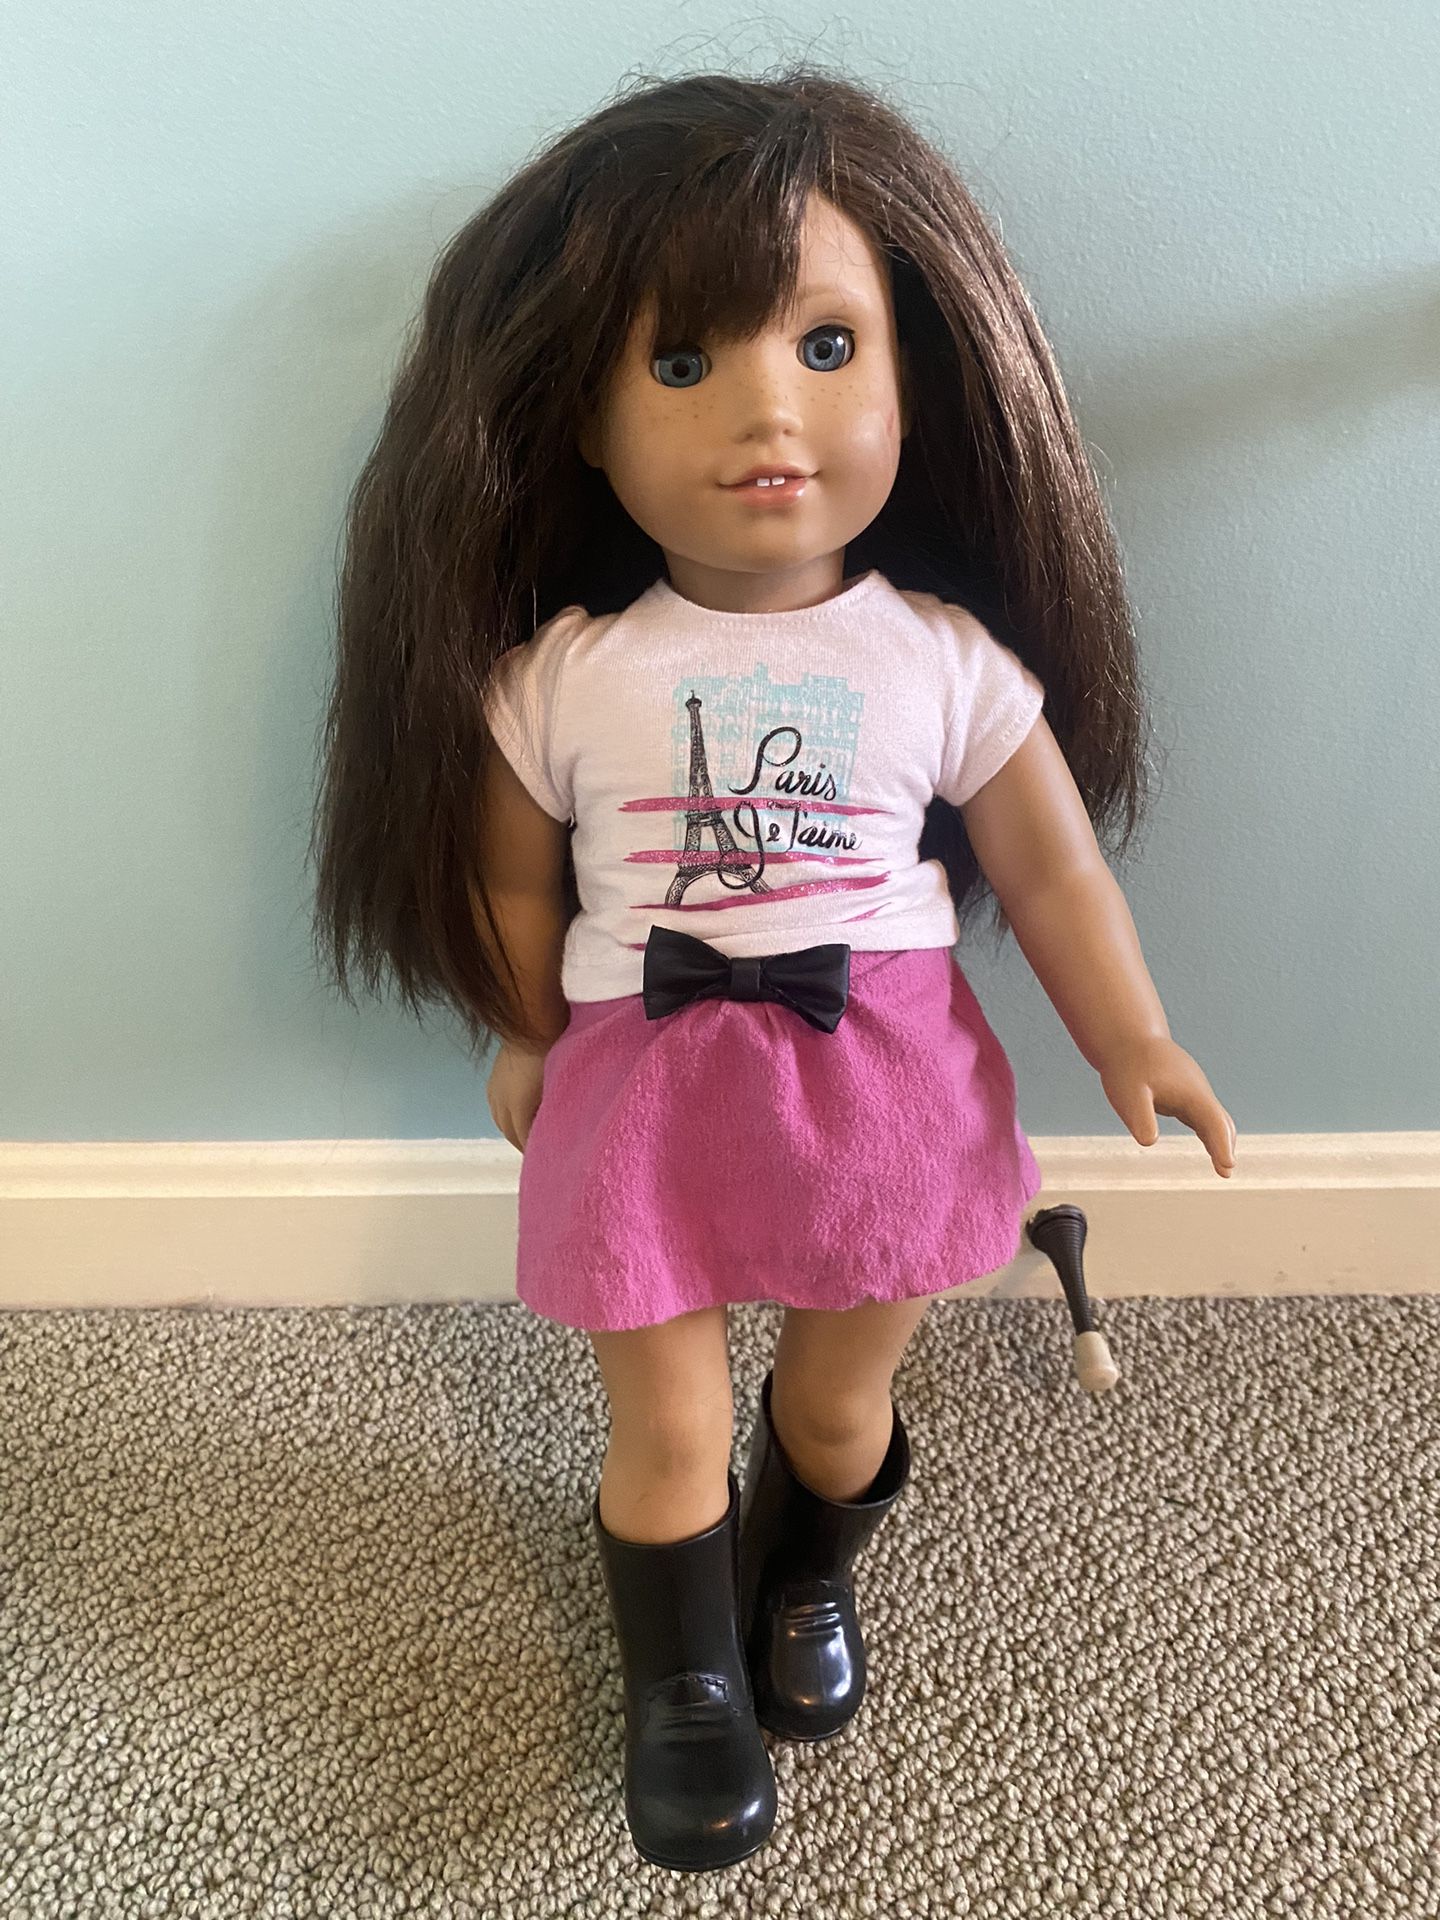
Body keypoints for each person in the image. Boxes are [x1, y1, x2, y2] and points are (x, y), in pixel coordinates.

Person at [308, 65, 1237, 1875]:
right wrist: (521, 1030)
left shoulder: (944, 663)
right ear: (584, 422)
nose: (767, 412)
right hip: (642, 1070)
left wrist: (1132, 1032)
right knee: (663, 1421)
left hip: (880, 1070)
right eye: (682, 362)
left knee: (834, 1394)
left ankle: (800, 1576)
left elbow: (1048, 861)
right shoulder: (561, 678)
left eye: (826, 346)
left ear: (911, 380)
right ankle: (684, 1683)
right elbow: (511, 876)